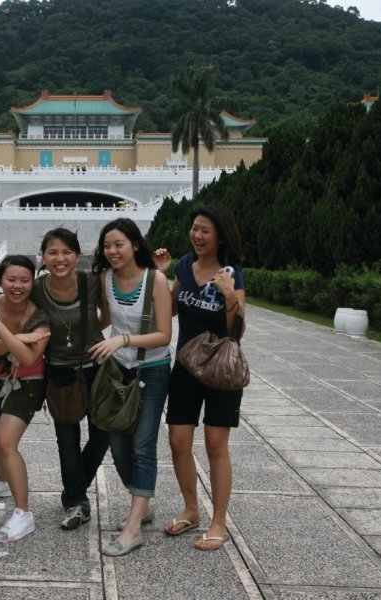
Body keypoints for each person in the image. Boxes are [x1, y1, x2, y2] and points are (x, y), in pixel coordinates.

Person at [153, 203, 246, 552]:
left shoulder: (232, 272)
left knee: (215, 445)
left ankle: (218, 521)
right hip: (186, 368)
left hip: (222, 369)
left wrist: (228, 294)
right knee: (178, 440)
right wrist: (161, 276)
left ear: (220, 236)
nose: (197, 235)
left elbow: (238, 329)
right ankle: (191, 509)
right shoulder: (184, 265)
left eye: (205, 230)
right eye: (194, 228)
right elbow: (172, 308)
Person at [89, 218, 172, 557]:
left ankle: (134, 525)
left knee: (142, 444)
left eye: (119, 244)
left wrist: (123, 339)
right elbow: (106, 319)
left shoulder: (157, 280)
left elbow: (164, 334)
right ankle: (143, 502)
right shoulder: (105, 278)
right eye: (107, 245)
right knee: (117, 441)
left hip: (152, 368)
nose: (112, 251)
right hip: (116, 368)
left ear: (135, 245)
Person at [28, 228, 110, 531]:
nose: (59, 258)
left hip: (95, 366)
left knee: (104, 434)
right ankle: (77, 501)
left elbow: (109, 315)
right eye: (52, 252)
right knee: (67, 439)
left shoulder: (90, 282)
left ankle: (73, 493)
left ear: (77, 255)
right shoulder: (36, 289)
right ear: (43, 256)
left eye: (66, 252)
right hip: (60, 370)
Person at [0, 255, 51, 541]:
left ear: (33, 282)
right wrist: (22, 338)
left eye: (24, 280)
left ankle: (23, 514)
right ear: (0, 279)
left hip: (28, 381)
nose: (17, 286)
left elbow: (29, 356)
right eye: (11, 279)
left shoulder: (40, 315)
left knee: (7, 442)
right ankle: (3, 480)